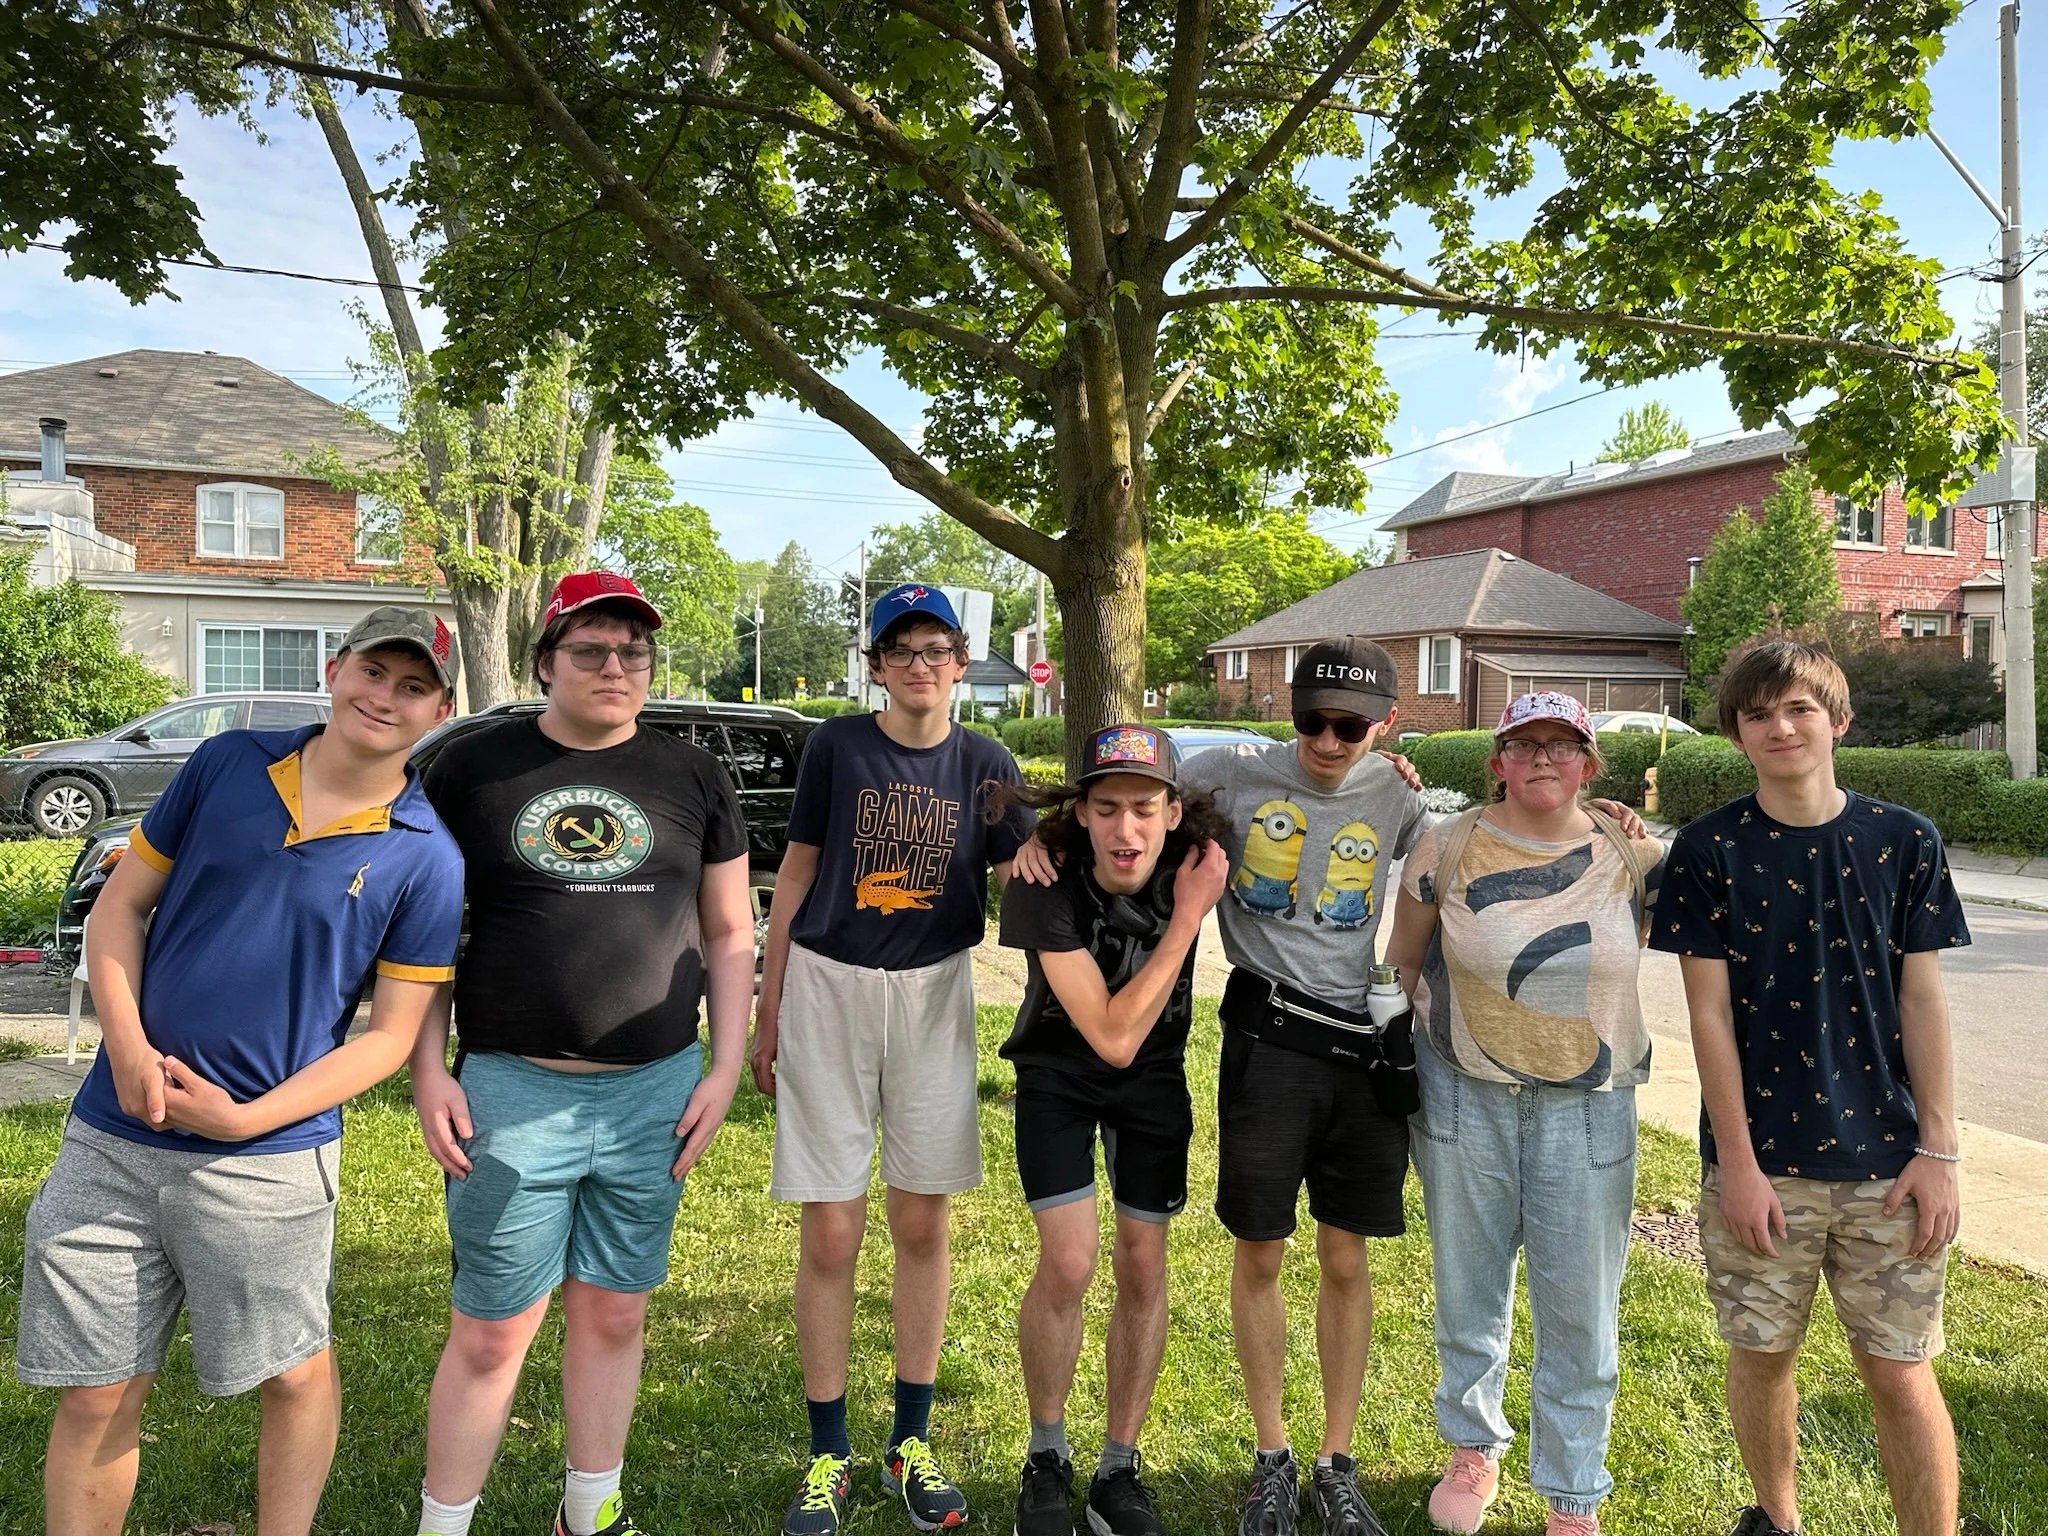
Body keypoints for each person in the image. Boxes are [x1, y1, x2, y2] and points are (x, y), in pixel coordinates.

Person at [18, 607, 464, 1536]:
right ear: (334, 671)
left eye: (412, 686)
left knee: (291, 1372)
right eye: (373, 672)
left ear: (439, 709)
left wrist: (244, 1121)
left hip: (267, 1161)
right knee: (96, 1392)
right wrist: (129, 1048)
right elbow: (118, 913)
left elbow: (387, 1039)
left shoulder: (427, 856)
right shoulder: (226, 764)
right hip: (113, 1136)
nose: (386, 696)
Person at [409, 572, 756, 1536]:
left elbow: (730, 932)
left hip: (657, 1093)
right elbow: (421, 932)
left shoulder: (692, 774)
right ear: (544, 662)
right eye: (591, 651)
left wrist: (722, 1069)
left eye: (633, 652)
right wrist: (427, 1066)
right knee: (493, 1330)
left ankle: (589, 1515)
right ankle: (445, 1527)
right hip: (512, 1092)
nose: (615, 667)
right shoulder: (475, 770)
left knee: (613, 1313)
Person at [1653, 638, 1967, 1536]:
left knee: (1900, 1368)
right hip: (1767, 1168)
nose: (1780, 727)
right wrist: (1739, 1167)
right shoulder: (1710, 851)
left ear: (1838, 719)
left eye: (1799, 708)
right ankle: (1778, 1521)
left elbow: (1924, 998)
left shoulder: (1905, 840)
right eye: (1758, 715)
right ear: (1738, 736)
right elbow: (1708, 1018)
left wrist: (1940, 1153)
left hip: (1890, 1165)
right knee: (1761, 1356)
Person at [752, 582, 1033, 1536]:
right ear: (876, 665)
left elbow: (1033, 872)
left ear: (962, 663)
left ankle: (910, 1440)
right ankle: (827, 1449)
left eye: (937, 648)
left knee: (921, 1223)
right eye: (901, 649)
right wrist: (766, 1005)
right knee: (831, 1231)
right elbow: (794, 872)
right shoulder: (838, 746)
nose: (920, 664)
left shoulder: (986, 761)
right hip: (829, 982)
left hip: (934, 991)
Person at [1384, 692, 1666, 1536]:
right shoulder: (1447, 845)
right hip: (1464, 1098)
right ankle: (1474, 1446)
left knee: (1581, 1307)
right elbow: (1401, 964)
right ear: (1498, 760)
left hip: (1589, 1111)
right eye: (1525, 743)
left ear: (1588, 763)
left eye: (1563, 744)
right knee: (1469, 1291)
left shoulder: (1633, 854)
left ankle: (1573, 1492)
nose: (1544, 758)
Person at [991, 725, 1232, 1536]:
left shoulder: (1194, 856)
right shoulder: (1040, 880)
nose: (1125, 829)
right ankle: (1047, 1454)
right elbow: (1111, 1036)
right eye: (1106, 809)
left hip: (1154, 1084)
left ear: (1173, 813)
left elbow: (1298, 788)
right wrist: (1186, 921)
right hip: (1059, 1074)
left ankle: (1118, 1469)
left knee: (1142, 1260)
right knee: (1068, 1260)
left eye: (1143, 808)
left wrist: (1394, 767)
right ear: (1082, 814)